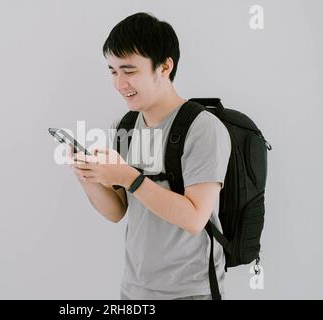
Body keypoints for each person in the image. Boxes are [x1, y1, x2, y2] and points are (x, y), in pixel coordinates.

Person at [66, 12, 231, 300]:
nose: (119, 84)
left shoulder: (202, 128)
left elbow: (194, 218)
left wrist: (128, 177)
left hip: (190, 292)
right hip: (134, 290)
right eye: (113, 71)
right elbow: (117, 211)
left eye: (129, 71)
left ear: (165, 66)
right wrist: (87, 176)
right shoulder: (126, 125)